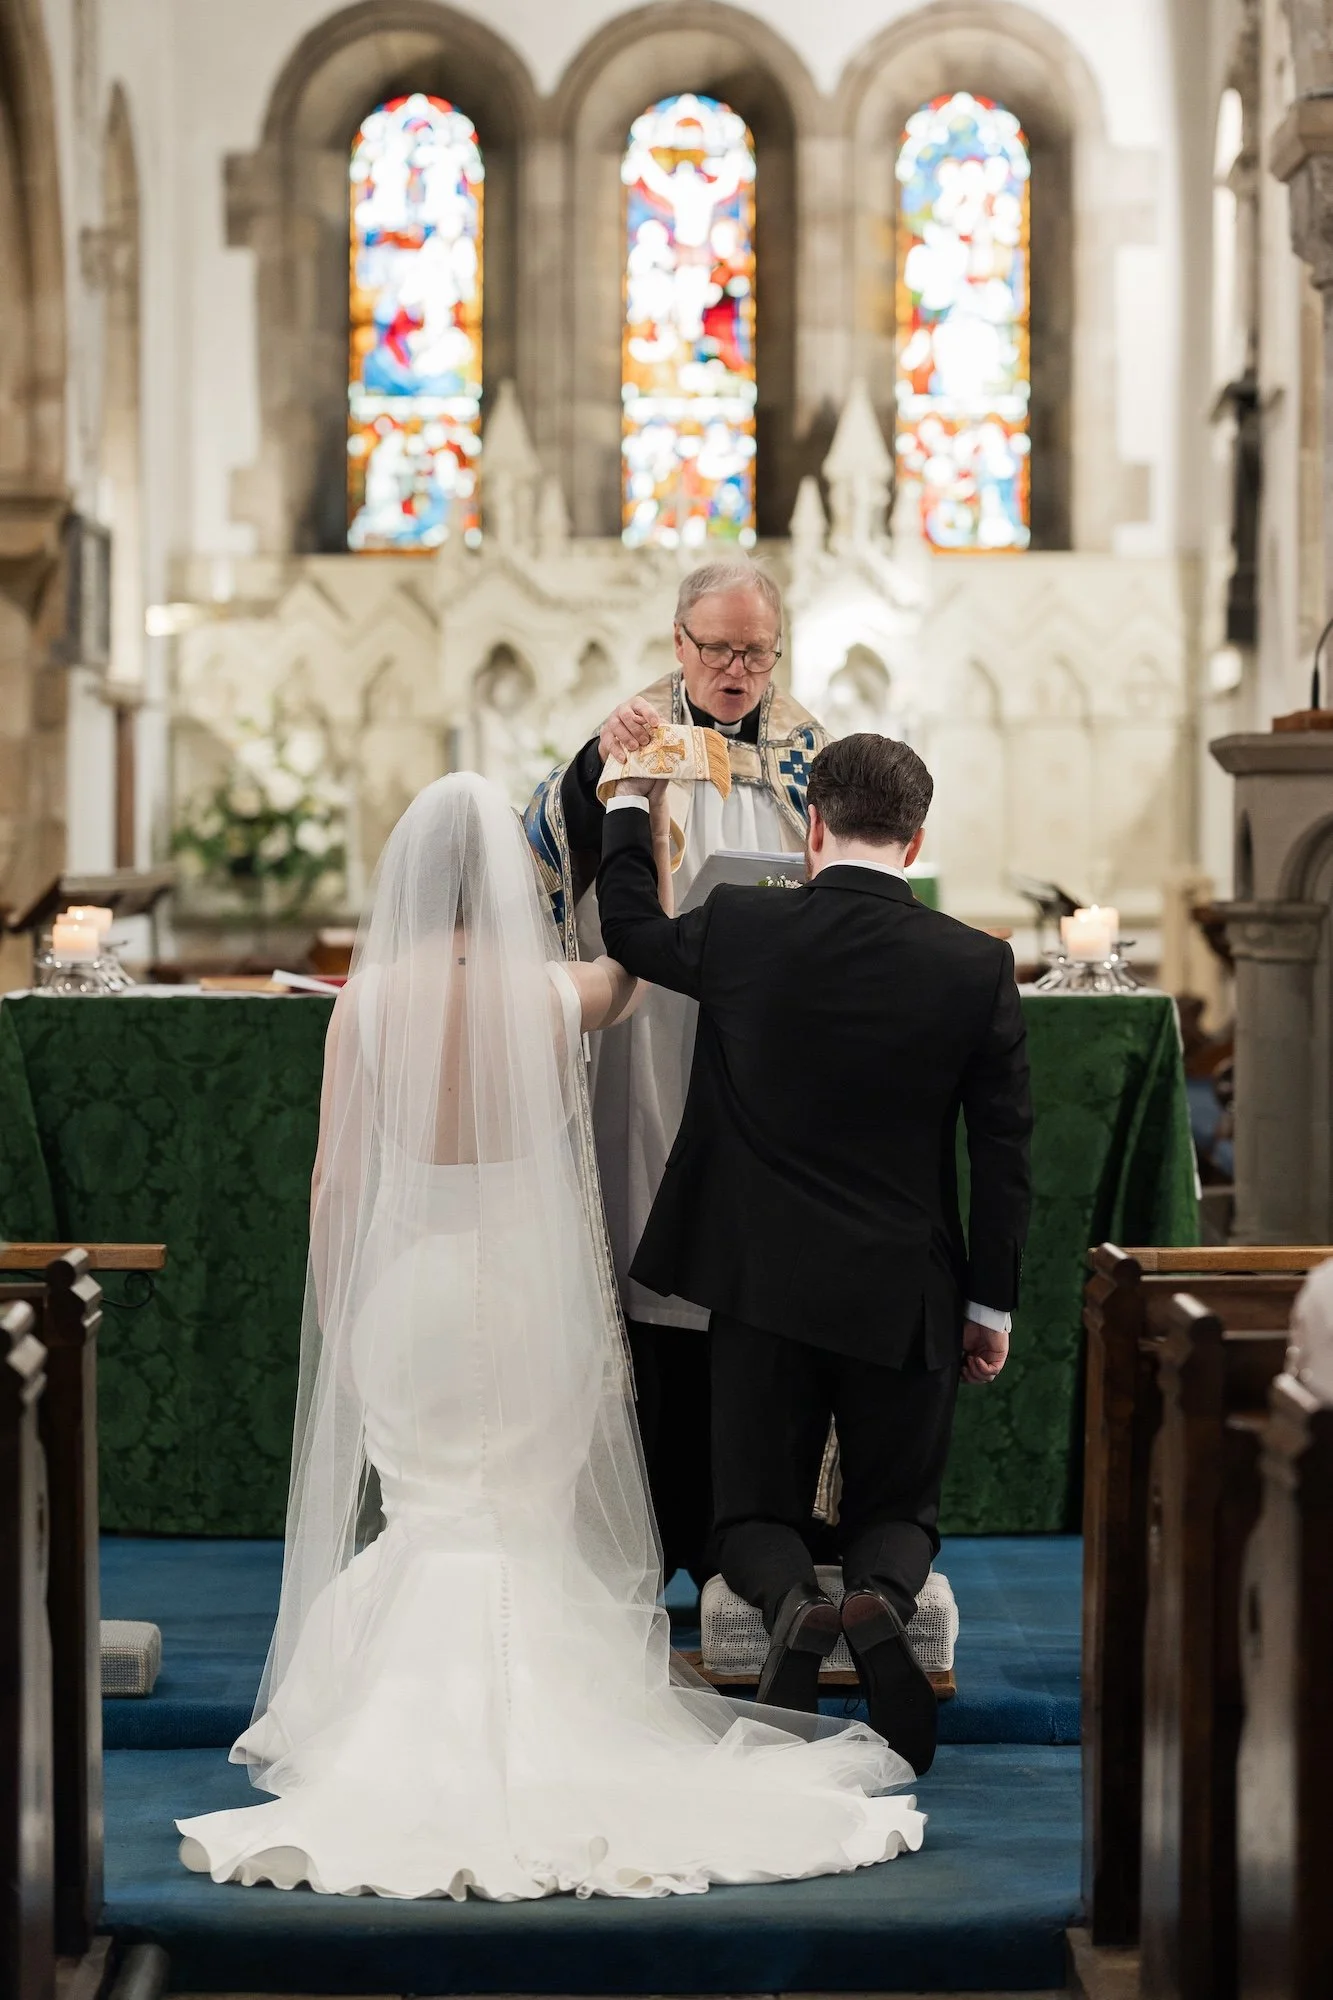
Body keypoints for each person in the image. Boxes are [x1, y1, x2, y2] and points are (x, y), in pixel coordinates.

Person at [176, 771, 923, 1900]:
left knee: (431, 1505)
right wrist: (654, 852)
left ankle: (402, 1725)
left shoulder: (366, 1002)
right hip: (528, 1294)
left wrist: (350, 1312)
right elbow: (639, 969)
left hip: (411, 1296)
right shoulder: (548, 990)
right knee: (521, 1507)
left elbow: (336, 1183)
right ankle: (552, 1716)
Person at [597, 734, 1033, 1776]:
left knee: (748, 1507)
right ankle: (877, 1597)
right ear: (916, 836)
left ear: (812, 828)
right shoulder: (975, 964)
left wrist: (625, 805)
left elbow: (630, 931)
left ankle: (795, 1600)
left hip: (761, 1284)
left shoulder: (746, 926)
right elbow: (1005, 1151)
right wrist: (992, 1308)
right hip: (907, 1291)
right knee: (895, 1510)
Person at [524, 558, 829, 1583]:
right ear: (678, 643)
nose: (738, 669)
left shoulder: (809, 755)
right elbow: (541, 848)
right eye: (718, 648)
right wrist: (591, 776)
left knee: (752, 1267)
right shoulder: (629, 737)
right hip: (647, 1040)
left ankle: (756, 1532)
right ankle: (645, 1529)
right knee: (652, 1239)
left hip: (768, 1045)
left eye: (756, 650)